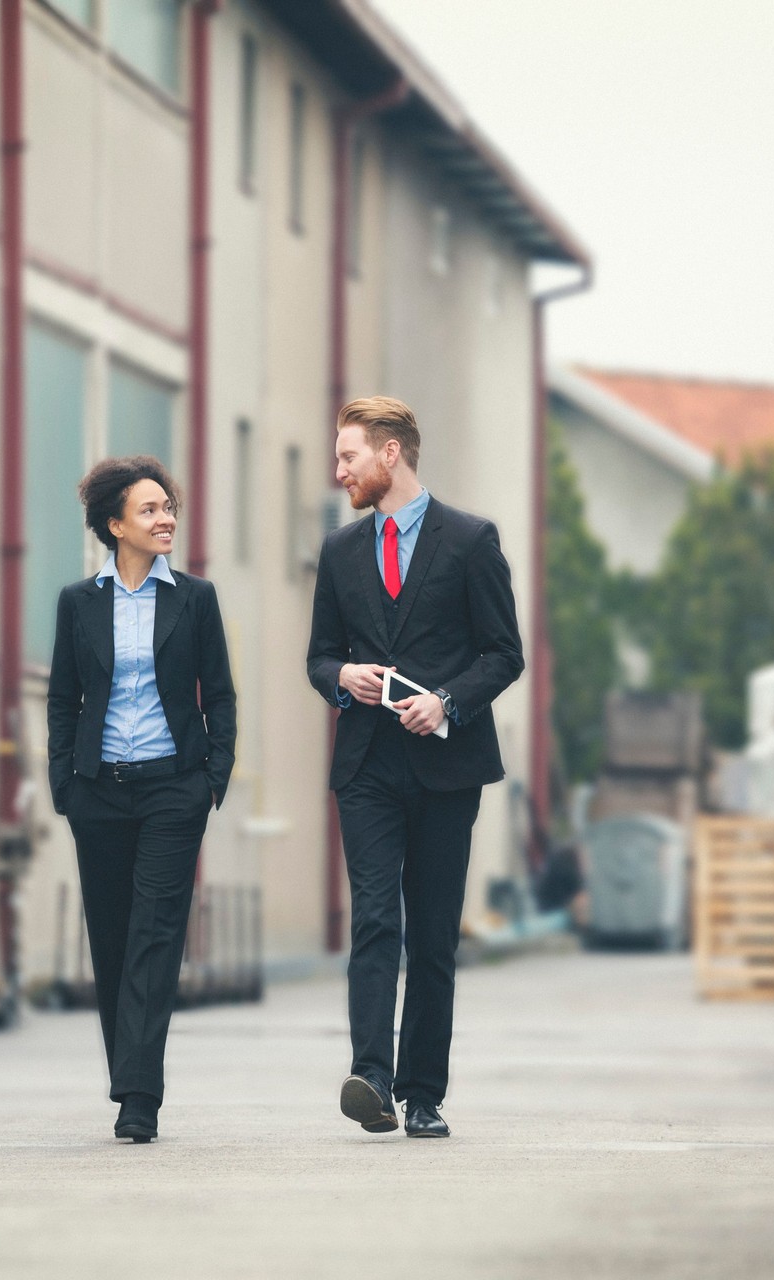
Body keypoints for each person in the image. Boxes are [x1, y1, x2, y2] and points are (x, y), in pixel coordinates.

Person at [305, 396, 524, 1139]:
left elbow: (504, 653)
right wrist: (344, 677)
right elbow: (318, 657)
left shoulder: (469, 541)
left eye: (349, 457)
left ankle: (423, 1093)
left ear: (389, 455)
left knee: (431, 934)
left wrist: (448, 703)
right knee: (374, 920)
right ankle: (372, 1076)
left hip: (445, 765)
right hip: (366, 763)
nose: (339, 472)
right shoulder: (339, 552)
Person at [46, 455, 237, 1144]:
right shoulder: (78, 602)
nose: (167, 520)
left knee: (156, 936)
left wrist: (211, 778)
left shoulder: (194, 598)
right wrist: (65, 787)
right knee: (113, 937)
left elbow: (217, 694)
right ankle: (129, 1075)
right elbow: (63, 701)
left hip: (171, 789)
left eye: (169, 508)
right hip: (99, 791)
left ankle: (138, 1095)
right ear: (114, 524)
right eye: (151, 510)